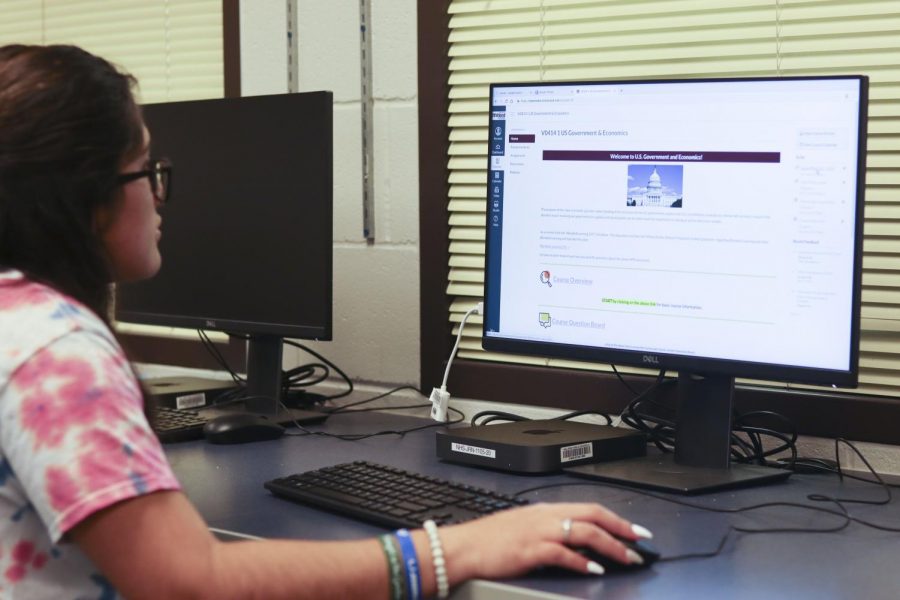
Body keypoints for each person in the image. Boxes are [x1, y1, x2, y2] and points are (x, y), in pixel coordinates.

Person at [0, 44, 654, 599]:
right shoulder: (55, 350)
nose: (162, 195)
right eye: (148, 172)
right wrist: (453, 550)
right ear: (85, 198)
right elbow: (188, 581)